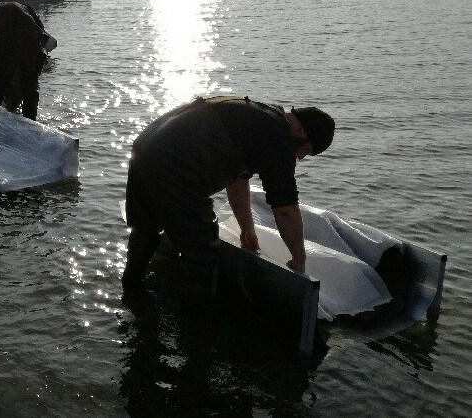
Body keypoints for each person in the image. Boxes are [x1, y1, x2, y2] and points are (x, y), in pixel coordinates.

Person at [121, 95, 335, 300]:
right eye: (306, 150)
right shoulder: (279, 137)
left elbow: (238, 179)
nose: (300, 157)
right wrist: (299, 259)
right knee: (202, 253)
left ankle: (131, 295)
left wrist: (247, 229)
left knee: (145, 231)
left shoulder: (261, 116)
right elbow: (286, 209)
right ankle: (195, 320)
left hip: (144, 151)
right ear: (301, 129)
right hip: (175, 165)